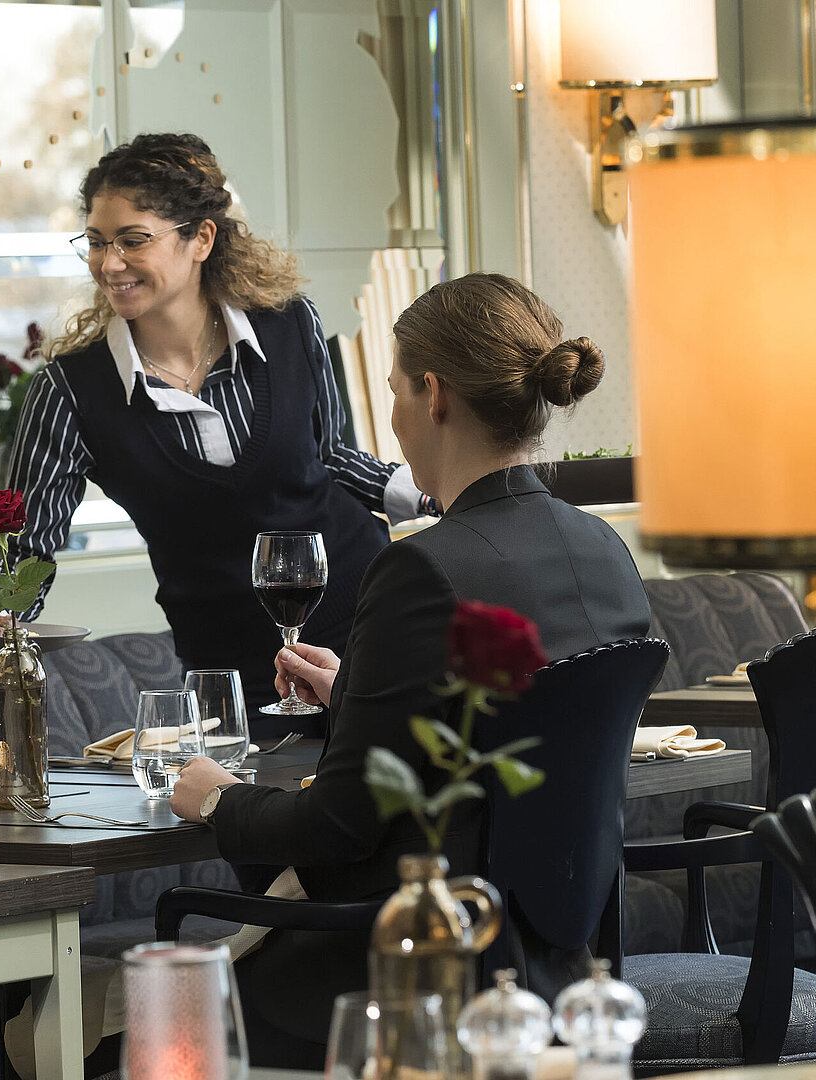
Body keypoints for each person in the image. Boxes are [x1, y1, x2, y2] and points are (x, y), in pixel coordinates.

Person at [167, 273, 653, 1066]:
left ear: (433, 395)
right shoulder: (605, 550)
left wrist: (219, 799)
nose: (392, 417)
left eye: (393, 390)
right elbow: (515, 731)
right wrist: (352, 695)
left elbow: (337, 827)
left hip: (403, 973)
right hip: (558, 968)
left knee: (107, 1027)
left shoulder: (420, 567)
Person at [0, 132, 432, 730]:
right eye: (96, 242)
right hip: (232, 674)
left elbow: (330, 456)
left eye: (133, 240)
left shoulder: (289, 325)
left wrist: (440, 497)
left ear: (201, 238)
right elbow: (26, 544)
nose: (109, 263)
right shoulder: (71, 392)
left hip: (368, 622)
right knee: (261, 814)